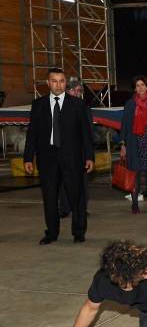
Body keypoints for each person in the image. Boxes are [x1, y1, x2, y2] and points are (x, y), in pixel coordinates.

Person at [24, 67, 94, 244]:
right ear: (48, 83)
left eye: (61, 81)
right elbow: (32, 134)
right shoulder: (38, 105)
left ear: (65, 83)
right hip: (47, 160)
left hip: (72, 158)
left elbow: (86, 134)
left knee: (76, 197)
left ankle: (78, 232)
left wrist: (90, 156)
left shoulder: (78, 105)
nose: (58, 84)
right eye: (54, 81)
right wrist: (27, 158)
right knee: (49, 198)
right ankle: (51, 233)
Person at [120, 75, 147, 214]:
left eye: (142, 85)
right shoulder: (130, 104)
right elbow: (125, 125)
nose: (140, 88)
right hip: (135, 142)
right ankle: (135, 205)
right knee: (136, 174)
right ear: (135, 88)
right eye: (137, 85)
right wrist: (123, 144)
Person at [59, 77, 94, 219]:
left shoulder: (84, 108)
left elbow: (89, 133)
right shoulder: (59, 106)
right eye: (75, 90)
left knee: (81, 183)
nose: (78, 93)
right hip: (62, 151)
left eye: (80, 91)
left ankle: (81, 208)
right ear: (68, 91)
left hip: (80, 152)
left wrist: (89, 155)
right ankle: (65, 207)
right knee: (63, 181)